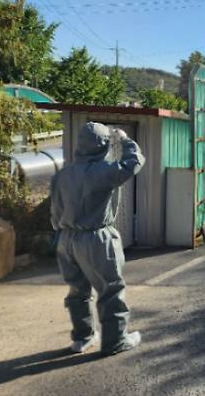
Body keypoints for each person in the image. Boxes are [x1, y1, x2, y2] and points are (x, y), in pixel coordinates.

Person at [50, 122, 145, 356]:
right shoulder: (105, 171)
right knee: (111, 290)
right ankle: (115, 341)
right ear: (103, 145)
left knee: (77, 290)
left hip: (66, 238)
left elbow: (55, 211)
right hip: (96, 239)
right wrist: (124, 140)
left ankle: (82, 338)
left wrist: (63, 233)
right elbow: (134, 162)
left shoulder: (63, 175)